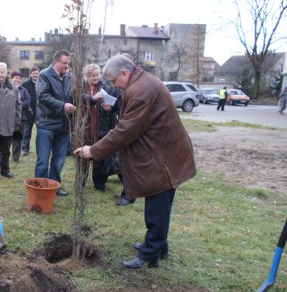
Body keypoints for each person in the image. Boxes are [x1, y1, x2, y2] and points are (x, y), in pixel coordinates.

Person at [74, 54, 196, 269]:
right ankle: (159, 245)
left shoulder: (141, 91)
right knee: (158, 204)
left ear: (124, 73)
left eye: (114, 81)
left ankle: (150, 254)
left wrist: (93, 150)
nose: (114, 86)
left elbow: (125, 131)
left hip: (163, 159)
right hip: (162, 154)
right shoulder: (142, 83)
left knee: (157, 207)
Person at [35, 50, 76, 196]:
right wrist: (63, 105)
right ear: (55, 62)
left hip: (63, 125)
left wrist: (92, 99)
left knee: (59, 160)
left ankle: (54, 186)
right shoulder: (44, 75)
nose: (67, 66)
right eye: (64, 63)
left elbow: (74, 95)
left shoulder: (69, 77)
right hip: (46, 124)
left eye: (68, 63)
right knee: (43, 160)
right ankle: (40, 188)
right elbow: (42, 96)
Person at [80, 63, 120, 192]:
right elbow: (77, 98)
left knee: (99, 155)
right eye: (93, 75)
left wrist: (111, 108)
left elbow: (117, 105)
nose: (96, 77)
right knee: (83, 156)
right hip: (85, 127)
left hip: (101, 127)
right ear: (87, 76)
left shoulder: (107, 88)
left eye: (97, 75)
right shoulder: (81, 87)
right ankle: (81, 182)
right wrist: (92, 98)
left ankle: (99, 182)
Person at [10, 71, 31, 163]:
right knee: (5, 137)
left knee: (18, 138)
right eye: (16, 78)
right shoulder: (7, 88)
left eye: (19, 78)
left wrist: (19, 105)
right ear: (12, 78)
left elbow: (28, 100)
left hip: (21, 117)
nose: (17, 80)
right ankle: (1, 157)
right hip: (8, 117)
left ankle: (15, 158)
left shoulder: (24, 90)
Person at [21, 67, 40, 156]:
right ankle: (25, 148)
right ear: (30, 74)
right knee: (27, 132)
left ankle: (40, 150)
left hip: (40, 111)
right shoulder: (25, 84)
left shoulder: (42, 83)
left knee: (41, 133)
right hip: (29, 111)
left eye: (37, 73)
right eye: (33, 73)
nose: (35, 75)